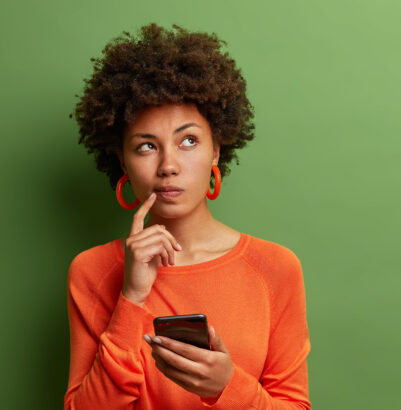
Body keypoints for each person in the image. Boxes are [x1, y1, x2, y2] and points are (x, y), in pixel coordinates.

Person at [64, 23, 311, 409]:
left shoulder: (275, 268)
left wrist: (226, 386)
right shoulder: (92, 271)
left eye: (189, 141)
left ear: (216, 150)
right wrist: (131, 297)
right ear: (122, 161)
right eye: (147, 146)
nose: (169, 165)